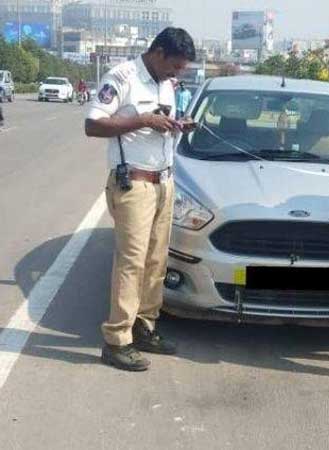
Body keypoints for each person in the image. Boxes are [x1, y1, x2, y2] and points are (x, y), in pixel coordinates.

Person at [85, 27, 196, 372]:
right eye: (175, 66)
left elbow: (158, 126)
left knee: (156, 262)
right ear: (158, 53)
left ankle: (144, 326)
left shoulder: (166, 83)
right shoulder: (122, 77)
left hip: (164, 182)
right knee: (131, 263)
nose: (176, 73)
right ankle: (117, 340)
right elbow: (93, 125)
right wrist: (142, 120)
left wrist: (177, 125)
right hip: (133, 183)